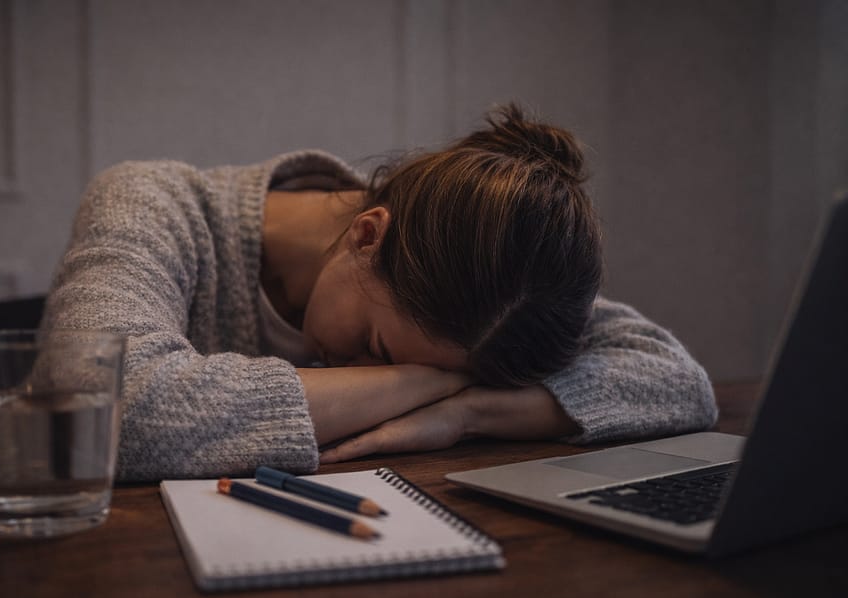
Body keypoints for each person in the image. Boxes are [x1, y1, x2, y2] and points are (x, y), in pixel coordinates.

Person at [43, 104, 717, 481]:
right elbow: (92, 409)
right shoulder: (154, 203)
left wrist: (466, 413)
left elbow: (678, 382)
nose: (384, 372)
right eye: (376, 348)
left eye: (430, 372)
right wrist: (419, 383)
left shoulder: (488, 299)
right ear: (368, 233)